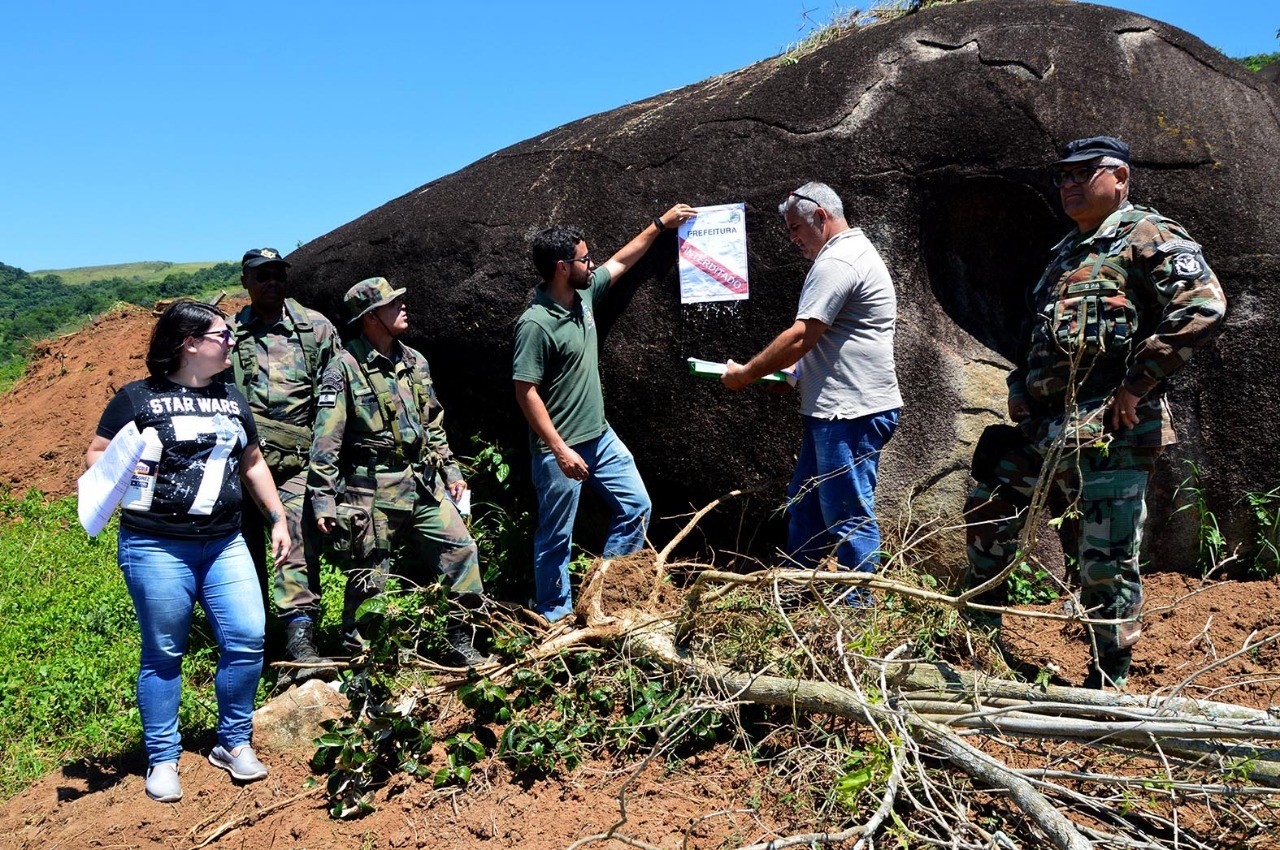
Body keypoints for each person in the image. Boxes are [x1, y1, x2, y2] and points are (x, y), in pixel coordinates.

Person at [962, 136, 1228, 689]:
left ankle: (1109, 684)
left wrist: (1137, 385)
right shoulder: (1065, 253)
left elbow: (1203, 304)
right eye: (1063, 176)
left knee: (1105, 561)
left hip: (1110, 429)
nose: (1069, 183)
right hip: (1043, 429)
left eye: (1085, 172)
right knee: (988, 507)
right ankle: (977, 646)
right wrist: (1019, 386)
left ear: (1121, 177)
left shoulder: (1146, 235)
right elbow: (1034, 338)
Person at [85, 300, 290, 803]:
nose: (231, 341)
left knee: (247, 637)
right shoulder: (137, 398)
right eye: (222, 334)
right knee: (164, 651)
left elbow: (253, 461)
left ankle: (233, 742)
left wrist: (278, 517)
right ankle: (162, 756)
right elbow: (96, 453)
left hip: (225, 542)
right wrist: (124, 469)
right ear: (189, 343)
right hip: (155, 544)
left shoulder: (232, 397)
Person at [513, 203, 697, 623]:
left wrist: (659, 225)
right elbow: (525, 392)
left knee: (636, 505)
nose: (591, 262)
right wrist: (559, 449)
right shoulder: (536, 323)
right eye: (583, 258)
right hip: (559, 449)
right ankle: (554, 617)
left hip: (599, 435)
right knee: (556, 536)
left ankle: (604, 597)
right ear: (562, 267)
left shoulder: (583, 294)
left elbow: (621, 261)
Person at [723, 182, 902, 600]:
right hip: (834, 411)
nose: (793, 239)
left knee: (847, 515)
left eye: (795, 228)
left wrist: (747, 373)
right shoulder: (851, 253)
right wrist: (792, 375)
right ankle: (794, 594)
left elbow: (804, 333)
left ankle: (859, 615)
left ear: (820, 217)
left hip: (851, 412)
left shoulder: (838, 260)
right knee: (803, 504)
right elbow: (829, 339)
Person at [307, 277, 488, 667]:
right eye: (393, 305)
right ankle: (364, 663)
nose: (403, 308)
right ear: (371, 318)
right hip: (370, 492)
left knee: (461, 549)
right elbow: (326, 440)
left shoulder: (415, 361)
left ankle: (462, 639)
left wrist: (452, 472)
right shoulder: (345, 367)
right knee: (370, 580)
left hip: (421, 482)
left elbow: (433, 424)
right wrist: (322, 499)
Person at [227, 248, 341, 682]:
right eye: (262, 276)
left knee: (291, 534)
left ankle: (299, 637)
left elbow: (333, 400)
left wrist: (327, 461)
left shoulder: (315, 328)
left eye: (277, 274)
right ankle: (249, 638)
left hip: (297, 461)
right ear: (246, 281)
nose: (271, 282)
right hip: (239, 462)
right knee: (238, 549)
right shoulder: (229, 333)